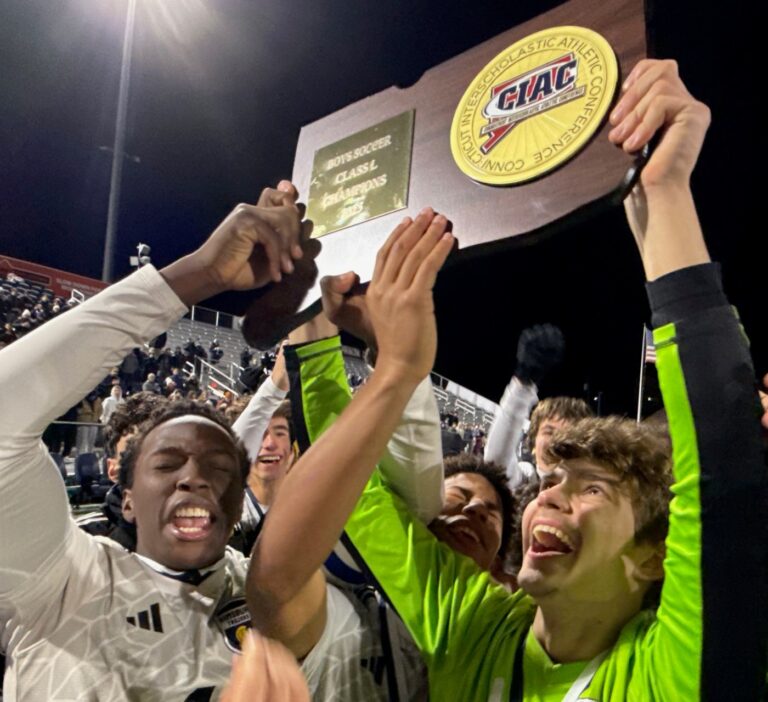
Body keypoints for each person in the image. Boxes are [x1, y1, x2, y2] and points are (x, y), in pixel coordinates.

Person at [245, 60, 768, 700]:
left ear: (652, 557)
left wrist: (664, 195)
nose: (548, 496)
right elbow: (353, 494)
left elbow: (721, 461)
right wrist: (309, 316)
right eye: (550, 480)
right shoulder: (472, 620)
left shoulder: (670, 670)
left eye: (592, 489)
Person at [0, 182, 315, 699]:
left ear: (239, 502)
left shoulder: (269, 593)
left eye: (219, 469)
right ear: (126, 498)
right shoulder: (62, 577)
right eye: (167, 464)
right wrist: (197, 276)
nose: (194, 477)